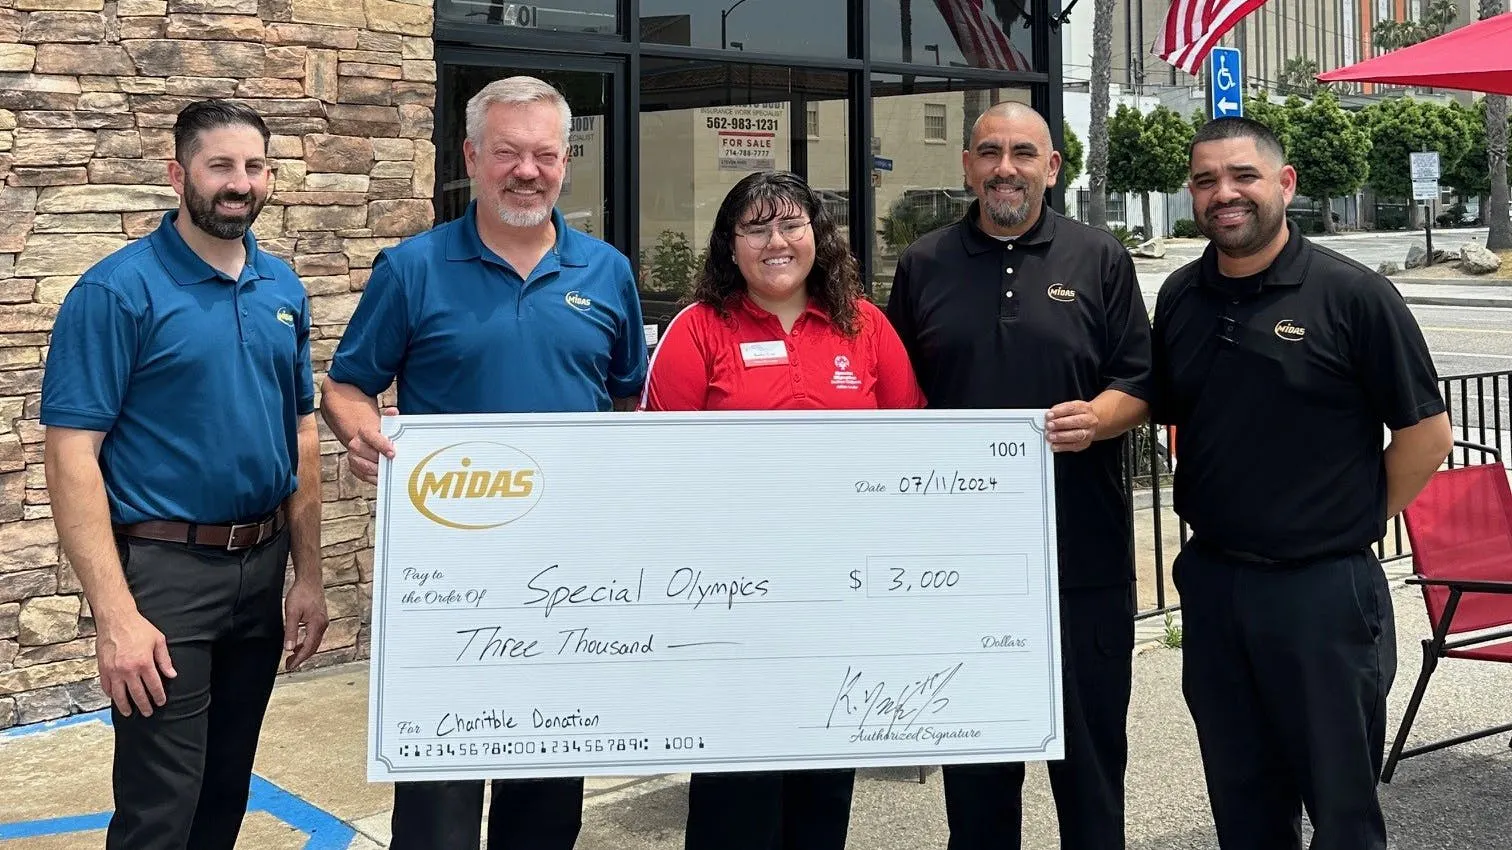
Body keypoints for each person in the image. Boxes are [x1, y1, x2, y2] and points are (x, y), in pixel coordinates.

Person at [319, 75, 648, 850]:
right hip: (448, 579)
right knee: (438, 807)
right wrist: (364, 433)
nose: (525, 171)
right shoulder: (413, 268)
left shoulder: (608, 273)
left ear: (566, 161)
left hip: (567, 580)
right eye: (507, 153)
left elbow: (628, 404)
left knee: (547, 796)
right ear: (472, 156)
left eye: (542, 154)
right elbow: (347, 387)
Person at [1150, 117, 1451, 850]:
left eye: (1243, 176)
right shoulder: (1182, 297)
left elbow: (1426, 436)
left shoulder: (1354, 297)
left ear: (1284, 184)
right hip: (1216, 589)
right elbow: (1171, 412)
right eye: (1206, 180)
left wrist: (1347, 516)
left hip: (1323, 594)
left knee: (1341, 814)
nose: (1225, 193)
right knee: (1244, 807)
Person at [40, 99, 329, 849]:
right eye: (221, 166)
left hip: (261, 569)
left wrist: (309, 577)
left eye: (255, 166)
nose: (241, 183)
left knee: (225, 789)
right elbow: (72, 453)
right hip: (164, 576)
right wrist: (115, 616)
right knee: (160, 807)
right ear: (178, 175)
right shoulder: (116, 292)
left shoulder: (282, 289)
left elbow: (301, 434)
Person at [884, 101, 1152, 850]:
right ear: (967, 166)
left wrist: (1100, 418)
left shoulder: (1101, 259)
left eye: (1024, 153)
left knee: (1092, 771)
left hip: (1083, 561)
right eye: (991, 152)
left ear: (1053, 168)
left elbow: (1140, 380)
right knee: (977, 775)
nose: (1007, 168)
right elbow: (898, 396)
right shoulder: (923, 264)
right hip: (963, 572)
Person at [640, 169, 925, 849]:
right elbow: (651, 467)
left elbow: (912, 449)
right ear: (730, 246)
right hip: (730, 609)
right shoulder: (699, 330)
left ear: (818, 236)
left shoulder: (867, 327)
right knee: (736, 795)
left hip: (835, 607)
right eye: (756, 227)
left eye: (792, 223)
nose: (777, 241)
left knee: (822, 792)